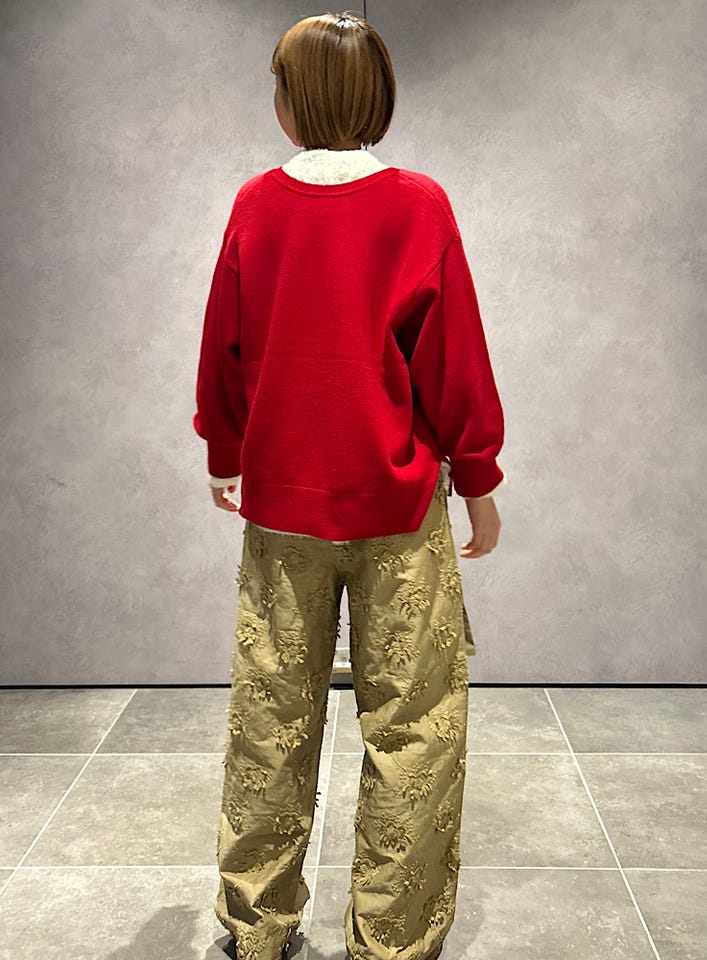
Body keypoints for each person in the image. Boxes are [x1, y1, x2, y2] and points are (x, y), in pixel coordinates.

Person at [193, 11, 507, 960]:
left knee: (271, 718)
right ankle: (393, 938)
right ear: (378, 97)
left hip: (283, 507)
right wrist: (479, 477)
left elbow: (225, 343)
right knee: (414, 726)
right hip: (397, 509)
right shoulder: (419, 205)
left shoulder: (257, 205)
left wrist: (226, 452)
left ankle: (257, 927)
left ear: (290, 104)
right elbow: (453, 357)